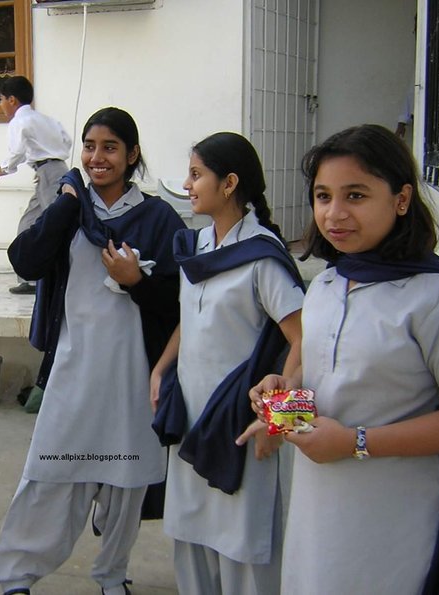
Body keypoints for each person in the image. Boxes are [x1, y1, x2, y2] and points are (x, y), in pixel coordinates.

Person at [240, 124, 439, 595]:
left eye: (355, 195)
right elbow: (326, 381)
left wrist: (356, 442)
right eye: (323, 196)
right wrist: (281, 405)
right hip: (317, 513)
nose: (334, 214)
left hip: (392, 521)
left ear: (400, 199)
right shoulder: (328, 283)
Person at [0, 107, 186, 595]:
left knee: (127, 483)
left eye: (110, 147)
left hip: (132, 373)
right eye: (90, 146)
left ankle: (111, 574)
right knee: (49, 471)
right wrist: (64, 203)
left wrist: (136, 281)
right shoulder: (71, 208)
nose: (97, 157)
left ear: (132, 155)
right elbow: (27, 260)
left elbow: (176, 303)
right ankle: (18, 575)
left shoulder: (158, 217)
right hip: (73, 366)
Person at [150, 132, 305, 595]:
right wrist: (160, 369)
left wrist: (280, 422)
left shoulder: (262, 258)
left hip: (240, 420)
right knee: (191, 536)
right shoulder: (196, 248)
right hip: (193, 416)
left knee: (243, 545)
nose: (187, 184)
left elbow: (305, 340)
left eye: (197, 174)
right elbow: (189, 320)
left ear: (230, 183)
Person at [0, 75, 72, 294]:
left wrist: (5, 168)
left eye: (1, 100)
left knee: (55, 226)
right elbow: (67, 141)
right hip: (52, 171)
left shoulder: (20, 121)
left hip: (48, 174)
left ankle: (60, 276)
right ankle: (29, 278)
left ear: (12, 100)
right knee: (28, 223)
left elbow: (17, 149)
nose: (0, 105)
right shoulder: (47, 120)